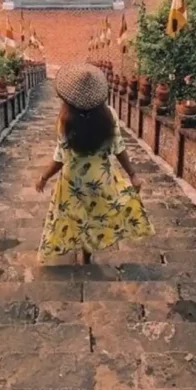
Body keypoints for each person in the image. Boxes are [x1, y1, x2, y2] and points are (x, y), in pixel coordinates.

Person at [36, 63, 154, 264]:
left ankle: (71, 246)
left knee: (71, 215)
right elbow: (119, 147)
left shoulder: (65, 120)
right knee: (95, 215)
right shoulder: (109, 115)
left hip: (73, 181)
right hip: (101, 178)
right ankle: (87, 253)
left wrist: (44, 177)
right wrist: (132, 174)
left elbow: (60, 156)